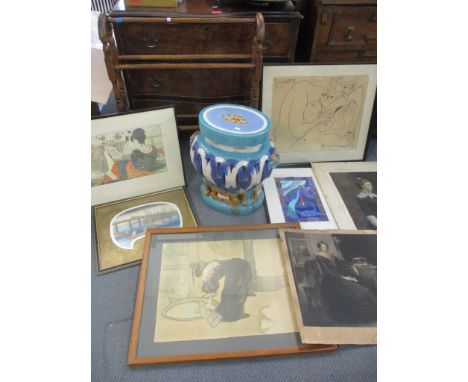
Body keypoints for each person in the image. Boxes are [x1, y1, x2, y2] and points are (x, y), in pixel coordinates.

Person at [303, 241, 376, 325]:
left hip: (338, 276)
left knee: (364, 287)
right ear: (319, 248)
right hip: (330, 280)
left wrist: (351, 271)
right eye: (323, 247)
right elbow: (327, 272)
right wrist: (344, 277)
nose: (325, 248)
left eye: (325, 246)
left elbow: (339, 266)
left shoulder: (331, 256)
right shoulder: (319, 258)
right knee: (353, 292)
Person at [191, 258, 252, 327]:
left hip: (237, 270)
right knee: (240, 292)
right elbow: (213, 281)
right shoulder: (212, 264)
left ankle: (227, 315)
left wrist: (210, 292)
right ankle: (237, 314)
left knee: (229, 293)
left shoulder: (209, 269)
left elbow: (212, 283)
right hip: (245, 267)